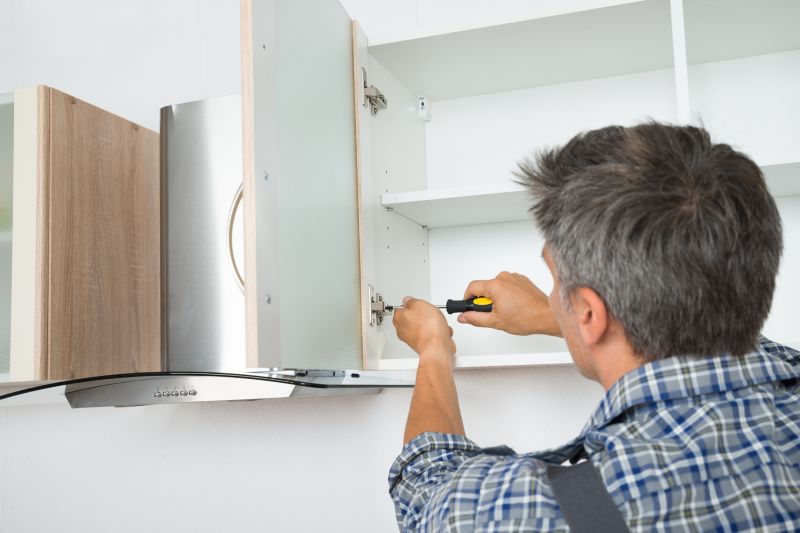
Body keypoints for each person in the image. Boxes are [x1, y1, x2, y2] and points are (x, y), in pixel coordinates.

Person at [387, 122, 800, 531]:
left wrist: (433, 348)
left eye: (553, 281)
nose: (550, 295)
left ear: (590, 314)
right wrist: (562, 316)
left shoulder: (536, 513)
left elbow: (426, 486)